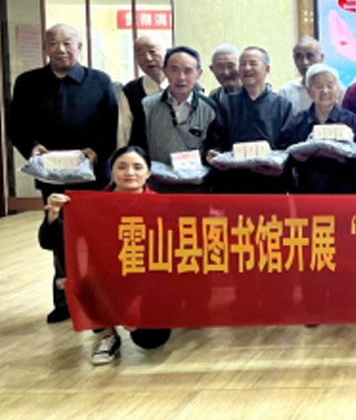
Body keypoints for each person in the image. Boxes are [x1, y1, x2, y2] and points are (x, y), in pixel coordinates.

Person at [8, 23, 118, 324]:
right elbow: (17, 125)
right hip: (52, 177)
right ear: (45, 48)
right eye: (53, 43)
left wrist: (97, 150)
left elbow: (111, 125)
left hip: (94, 176)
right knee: (60, 236)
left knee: (96, 237)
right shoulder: (28, 82)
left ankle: (101, 297)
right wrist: (32, 147)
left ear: (79, 47)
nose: (61, 49)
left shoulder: (99, 81)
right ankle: (64, 301)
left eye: (68, 43)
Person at [39, 146, 173, 365]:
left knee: (150, 339)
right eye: (122, 167)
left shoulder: (164, 206)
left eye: (137, 167)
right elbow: (50, 242)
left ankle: (132, 317)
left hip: (147, 280)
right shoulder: (90, 205)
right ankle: (107, 334)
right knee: (83, 285)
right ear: (111, 171)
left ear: (149, 172)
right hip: (105, 278)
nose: (130, 173)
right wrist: (54, 214)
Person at [207, 46, 296, 193]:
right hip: (233, 183)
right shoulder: (226, 104)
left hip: (271, 183)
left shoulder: (282, 105)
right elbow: (216, 140)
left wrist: (281, 168)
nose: (247, 68)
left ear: (267, 69)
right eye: (242, 64)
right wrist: (215, 154)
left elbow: (289, 145)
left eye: (253, 63)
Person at [141, 46, 219, 193]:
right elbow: (138, 145)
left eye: (188, 71)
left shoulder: (210, 108)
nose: (181, 77)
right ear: (165, 71)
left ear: (198, 74)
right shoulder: (147, 105)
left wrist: (213, 153)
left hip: (196, 188)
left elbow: (215, 144)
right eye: (174, 70)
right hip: (156, 188)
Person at [279, 64, 356, 193]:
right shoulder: (298, 121)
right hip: (307, 192)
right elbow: (284, 154)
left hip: (344, 191)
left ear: (338, 89)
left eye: (330, 86)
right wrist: (297, 158)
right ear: (308, 91)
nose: (325, 91)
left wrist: (344, 158)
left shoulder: (351, 121)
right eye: (318, 86)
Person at [117, 35, 168, 150]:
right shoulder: (130, 91)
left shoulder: (182, 86)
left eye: (152, 51)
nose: (148, 58)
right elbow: (123, 132)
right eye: (140, 54)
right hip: (140, 158)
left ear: (166, 53)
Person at [279, 36, 325, 114]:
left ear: (321, 58)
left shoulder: (335, 90)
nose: (305, 62)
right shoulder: (286, 91)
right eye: (299, 57)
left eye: (310, 56)